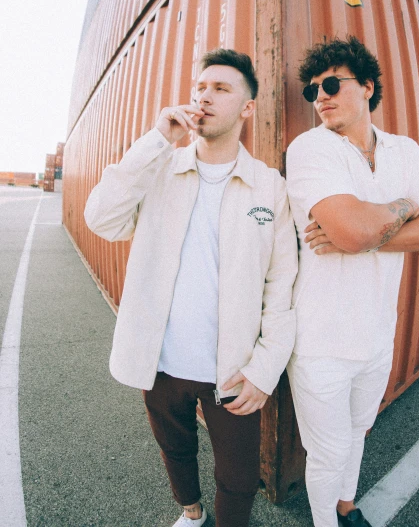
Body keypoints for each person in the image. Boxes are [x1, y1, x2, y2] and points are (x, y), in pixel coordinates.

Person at [84, 49, 298, 527]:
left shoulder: (269, 187)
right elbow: (101, 218)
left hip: (233, 369)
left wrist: (265, 369)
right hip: (159, 360)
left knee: (239, 477)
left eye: (221, 89)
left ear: (247, 108)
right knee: (175, 448)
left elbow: (281, 287)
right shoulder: (159, 168)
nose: (205, 96)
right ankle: (191, 513)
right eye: (200, 87)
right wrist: (158, 139)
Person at [285, 37, 419, 527]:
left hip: (379, 330)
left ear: (367, 87)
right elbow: (352, 229)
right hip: (321, 338)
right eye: (312, 89)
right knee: (326, 450)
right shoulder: (311, 148)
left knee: (359, 430)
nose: (320, 96)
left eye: (332, 83)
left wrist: (364, 235)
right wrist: (404, 209)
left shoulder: (404, 151)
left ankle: (346, 508)